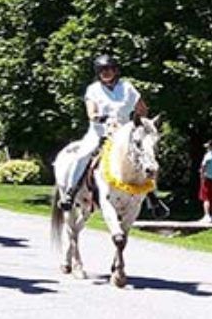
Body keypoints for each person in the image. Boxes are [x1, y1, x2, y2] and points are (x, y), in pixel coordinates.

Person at [56, 54, 148, 211]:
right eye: (102, 70)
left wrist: (138, 122)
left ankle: (152, 198)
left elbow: (142, 109)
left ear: (115, 70)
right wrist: (100, 118)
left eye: (109, 69)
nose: (105, 73)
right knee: (83, 154)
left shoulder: (127, 88)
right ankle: (70, 192)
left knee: (144, 157)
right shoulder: (93, 90)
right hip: (99, 133)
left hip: (124, 135)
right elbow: (91, 113)